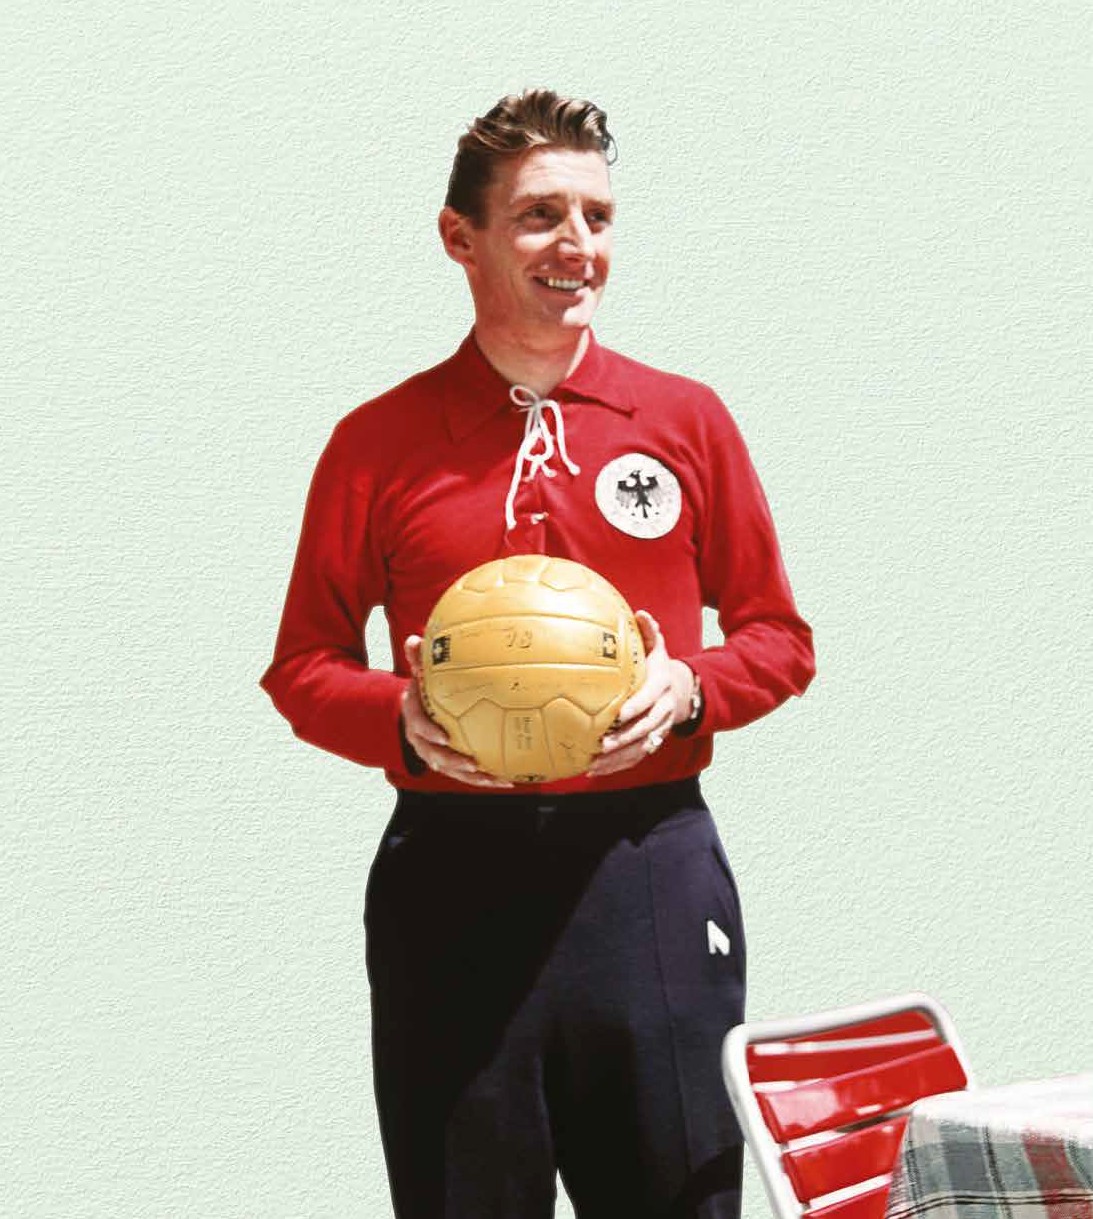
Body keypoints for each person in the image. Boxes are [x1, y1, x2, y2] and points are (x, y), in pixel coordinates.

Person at [261, 88, 815, 1219]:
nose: (577, 245)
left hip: (648, 872)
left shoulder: (684, 420)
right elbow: (304, 664)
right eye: (539, 215)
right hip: (449, 881)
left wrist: (690, 684)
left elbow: (778, 637)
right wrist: (395, 715)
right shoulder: (377, 443)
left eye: (597, 217)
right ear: (458, 236)